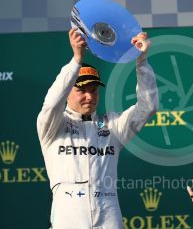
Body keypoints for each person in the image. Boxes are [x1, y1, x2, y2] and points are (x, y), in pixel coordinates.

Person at [36, 28, 158, 228]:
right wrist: (76, 60)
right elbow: (51, 104)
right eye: (81, 90)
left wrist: (142, 61)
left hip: (108, 221)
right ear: (68, 91)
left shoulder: (112, 126)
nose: (89, 96)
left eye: (93, 90)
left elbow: (148, 107)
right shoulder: (52, 125)